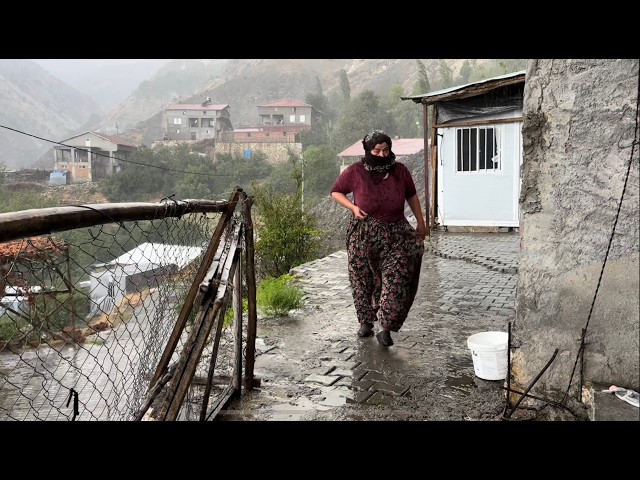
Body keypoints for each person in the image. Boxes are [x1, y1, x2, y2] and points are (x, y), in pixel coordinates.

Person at [331, 130, 427, 347]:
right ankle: (365, 321)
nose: (382, 155)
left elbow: (411, 195)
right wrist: (353, 208)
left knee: (397, 279)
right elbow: (336, 191)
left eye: (386, 150)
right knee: (362, 279)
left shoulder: (400, 171)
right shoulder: (355, 171)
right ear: (368, 150)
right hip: (364, 233)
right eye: (377, 150)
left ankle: (386, 328)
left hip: (397, 234)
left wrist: (421, 223)